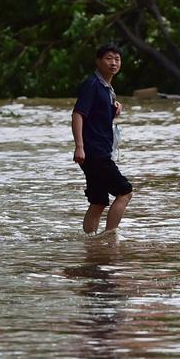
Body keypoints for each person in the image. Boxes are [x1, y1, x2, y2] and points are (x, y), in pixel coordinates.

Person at [72, 44, 132, 236]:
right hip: (94, 151)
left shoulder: (106, 88)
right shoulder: (92, 85)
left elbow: (96, 118)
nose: (114, 62)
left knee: (98, 201)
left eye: (117, 59)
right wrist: (79, 146)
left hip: (100, 150)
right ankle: (109, 237)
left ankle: (90, 242)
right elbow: (78, 115)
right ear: (98, 61)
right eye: (109, 58)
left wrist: (113, 112)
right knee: (125, 191)